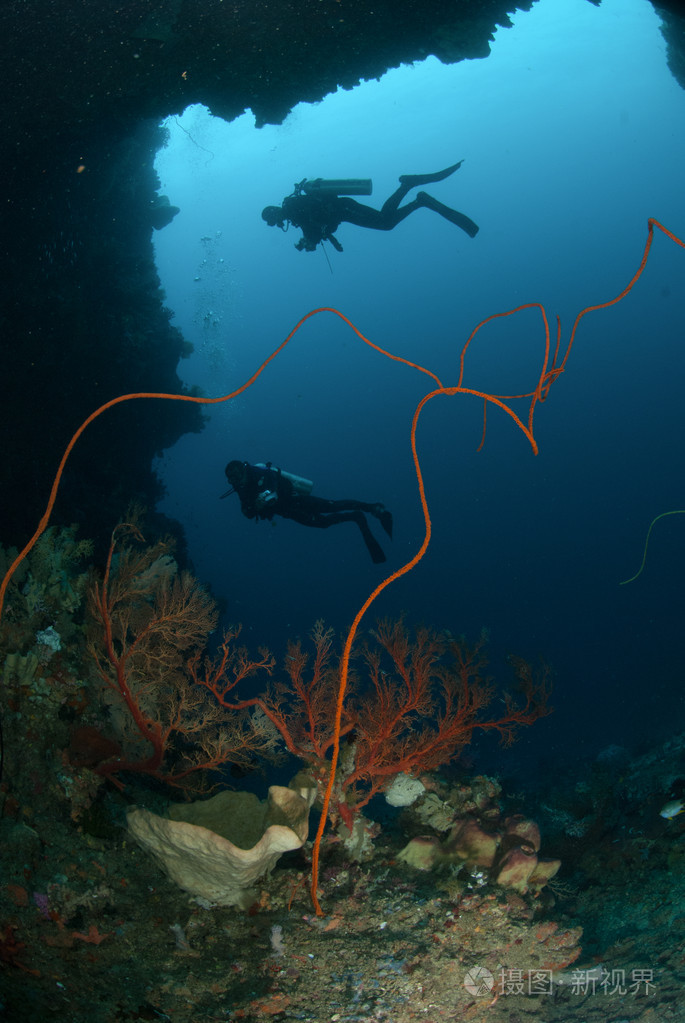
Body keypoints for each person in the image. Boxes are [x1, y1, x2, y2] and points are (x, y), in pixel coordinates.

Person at [261, 161, 479, 253]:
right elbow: (318, 227)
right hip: (343, 211)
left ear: (274, 213)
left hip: (344, 209)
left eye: (273, 221)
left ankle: (409, 187)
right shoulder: (294, 211)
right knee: (386, 224)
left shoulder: (292, 208)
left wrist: (310, 241)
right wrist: (313, 240)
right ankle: (418, 199)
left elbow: (314, 225)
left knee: (385, 221)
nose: (276, 224)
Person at [222, 460, 393, 564]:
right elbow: (248, 512)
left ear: (243, 470)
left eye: (236, 477)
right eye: (231, 479)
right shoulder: (242, 489)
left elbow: (273, 479)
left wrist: (270, 493)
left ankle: (372, 508)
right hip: (289, 511)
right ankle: (358, 516)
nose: (235, 482)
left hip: (296, 500)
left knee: (331, 506)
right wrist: (256, 507)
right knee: (324, 522)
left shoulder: (258, 472)